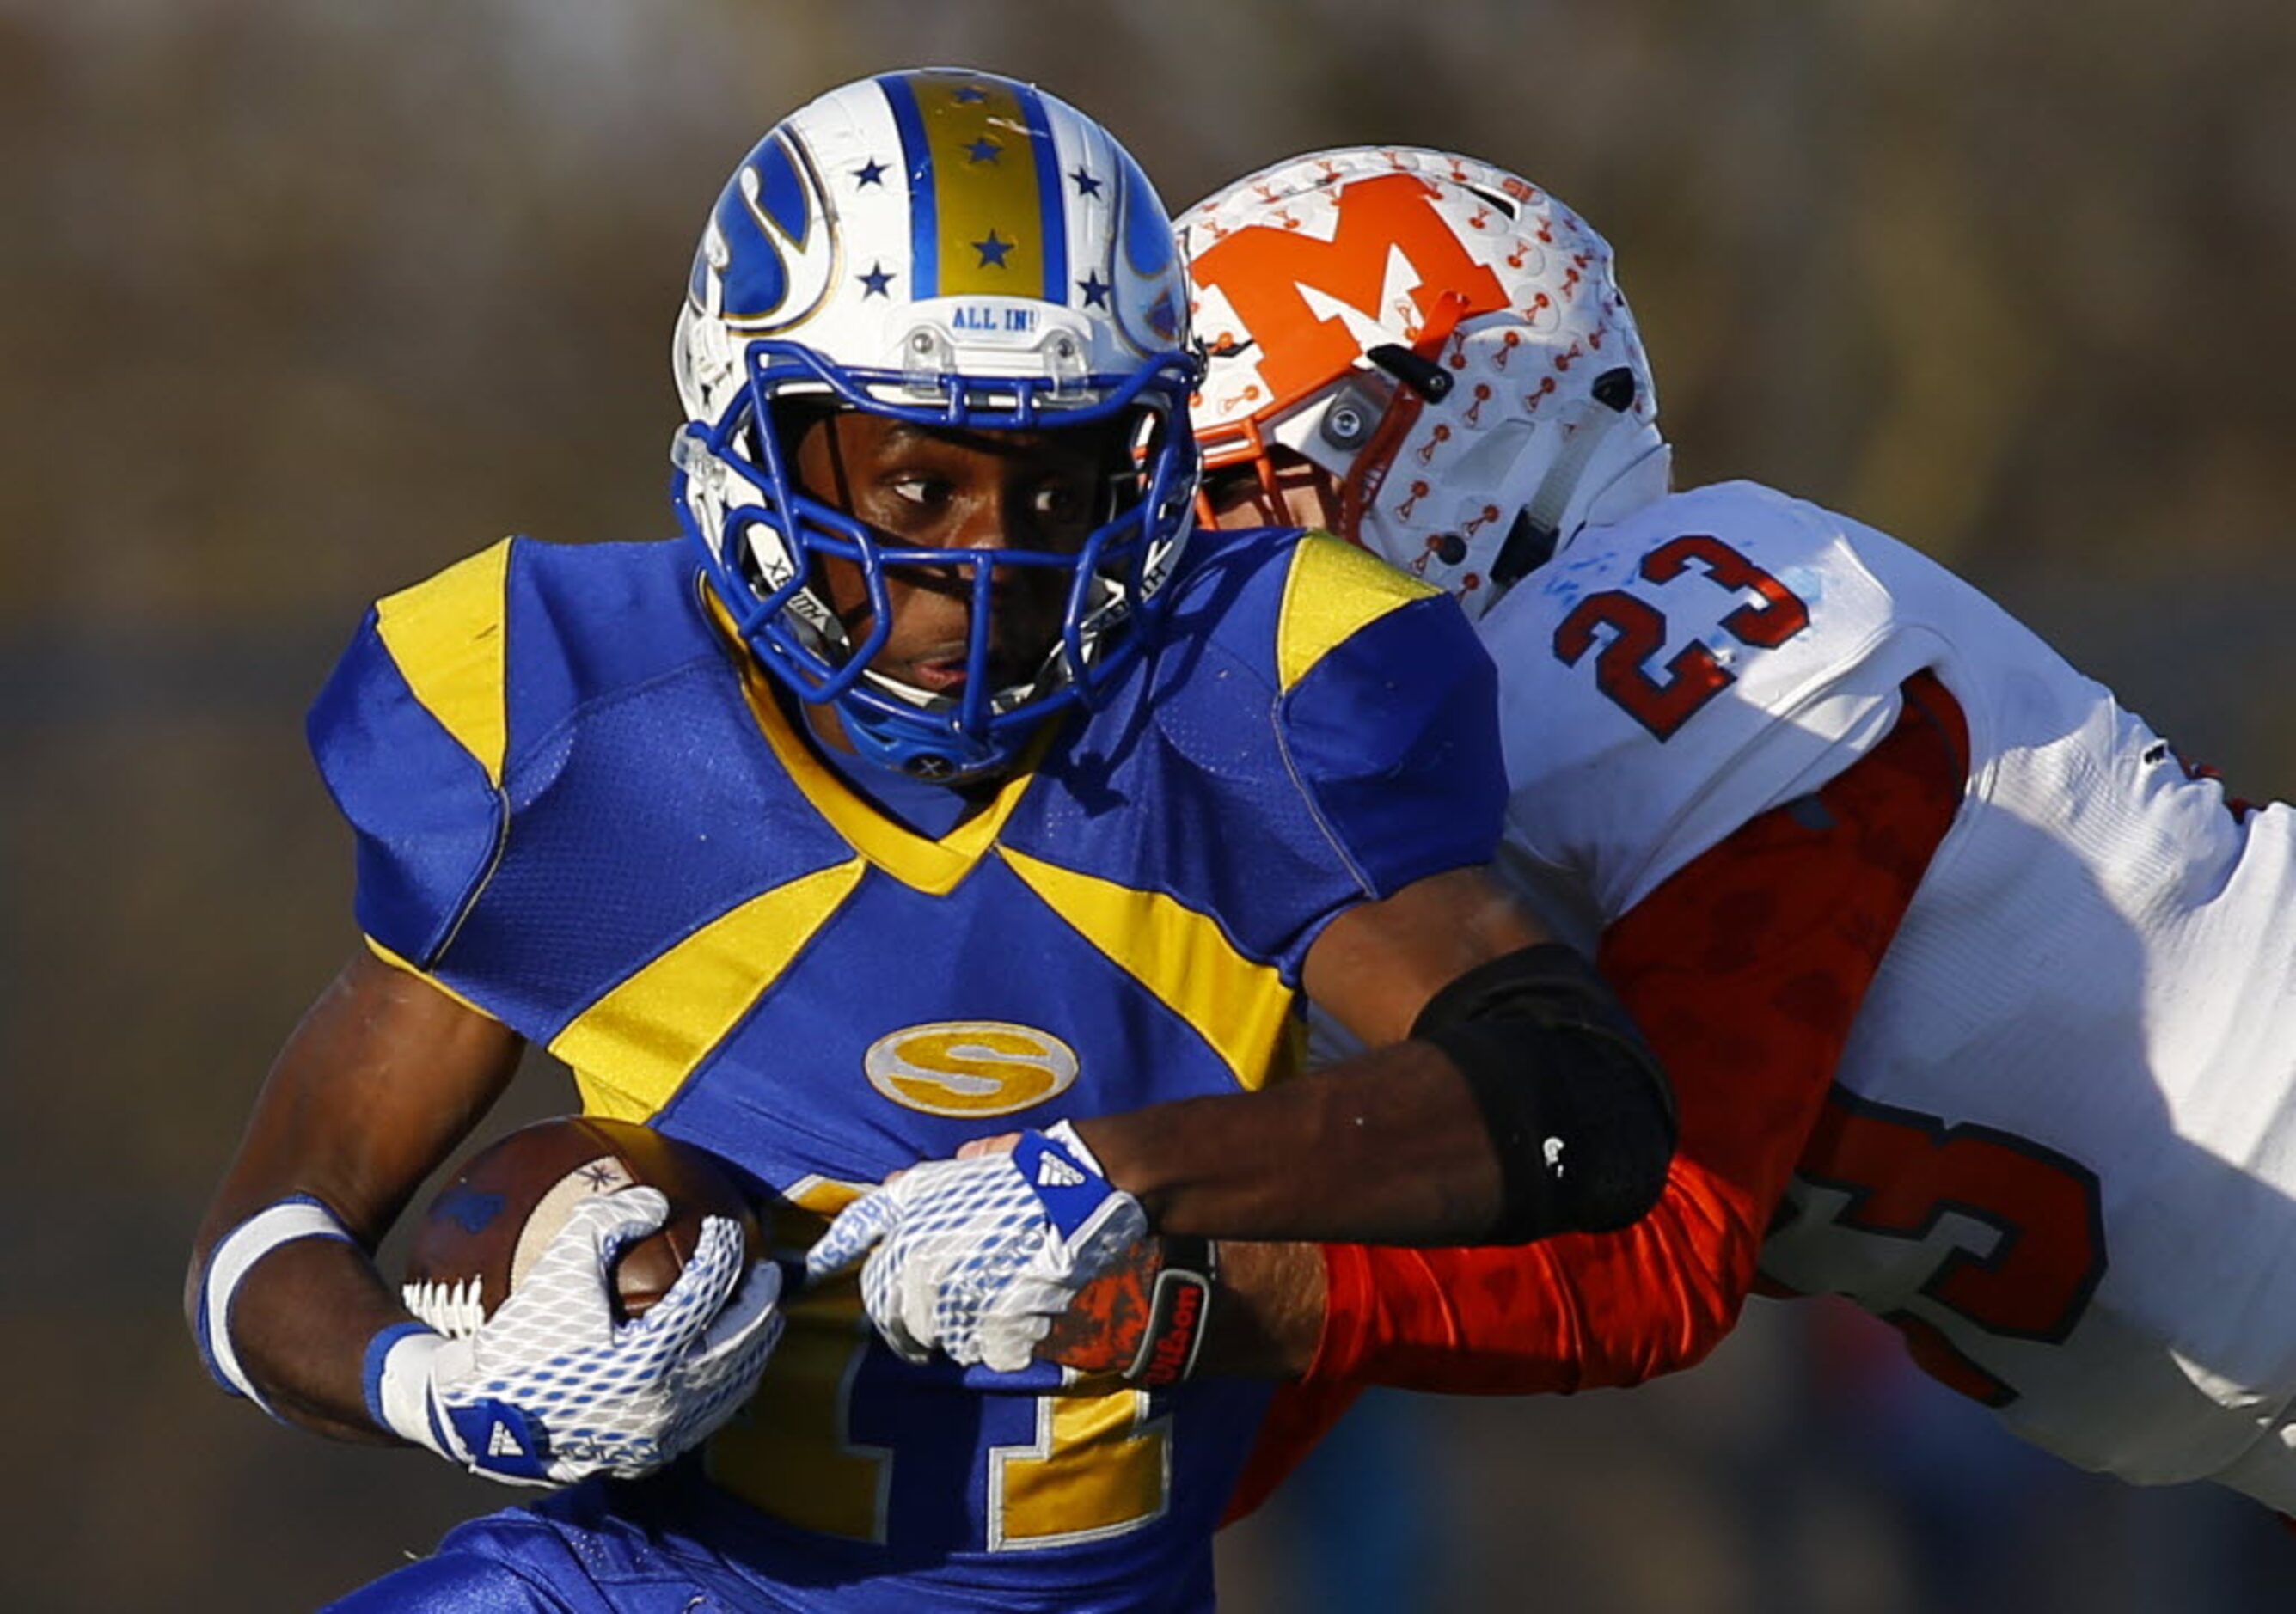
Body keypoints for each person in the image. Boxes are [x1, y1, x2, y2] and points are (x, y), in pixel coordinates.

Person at [184, 83, 1687, 1611]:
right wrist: (432, 1384)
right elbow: (266, 1243)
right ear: (759, 432)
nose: (993, 558)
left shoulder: (1250, 704)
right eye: (921, 484)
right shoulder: (567, 724)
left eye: (1059, 483)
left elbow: (1571, 1097)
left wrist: (1113, 1175)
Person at [854, 144, 2296, 1522]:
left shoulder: (1682, 623)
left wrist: (1170, 1294)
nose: (1195, 585)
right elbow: (1333, 1286)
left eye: (1232, 500)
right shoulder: (1446, 829)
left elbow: (1644, 1262)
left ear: (1450, 441)